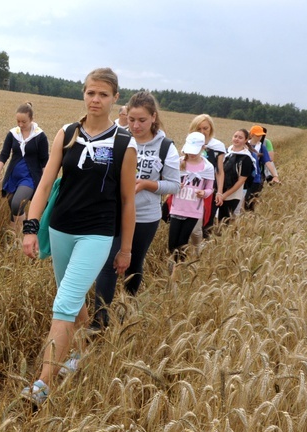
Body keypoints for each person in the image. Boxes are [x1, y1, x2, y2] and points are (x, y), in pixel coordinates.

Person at [19, 68, 137, 406]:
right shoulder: (67, 134)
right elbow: (44, 184)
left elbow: (128, 202)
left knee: (64, 302)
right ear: (83, 94)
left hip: (97, 234)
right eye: (90, 93)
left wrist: (125, 249)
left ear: (115, 98)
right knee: (72, 299)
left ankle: (41, 385)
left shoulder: (123, 143)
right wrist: (31, 227)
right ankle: (82, 351)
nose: (96, 100)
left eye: (103, 94)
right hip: (60, 229)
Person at [92, 91, 179, 328]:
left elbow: (175, 185)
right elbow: (96, 165)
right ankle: (100, 319)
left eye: (141, 120)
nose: (136, 125)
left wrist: (147, 185)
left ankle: (127, 306)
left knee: (133, 262)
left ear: (153, 117)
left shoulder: (165, 146)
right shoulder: (117, 138)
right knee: (110, 263)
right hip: (113, 214)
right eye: (131, 119)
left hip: (145, 217)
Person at [0, 102, 49, 232]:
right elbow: (4, 155)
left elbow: (45, 161)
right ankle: (16, 236)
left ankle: (24, 232)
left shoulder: (40, 136)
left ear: (32, 119)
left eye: (24, 122)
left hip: (30, 177)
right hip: (13, 176)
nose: (21, 125)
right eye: (18, 121)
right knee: (12, 206)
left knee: (17, 204)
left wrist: (46, 183)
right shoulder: (13, 134)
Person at [167, 132, 215, 260]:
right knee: (172, 243)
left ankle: (179, 269)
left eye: (195, 151)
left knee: (182, 243)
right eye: (189, 151)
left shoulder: (208, 167)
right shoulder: (179, 162)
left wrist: (204, 193)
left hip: (194, 211)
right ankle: (172, 267)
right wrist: (176, 185)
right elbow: (169, 181)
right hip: (177, 208)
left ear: (203, 148)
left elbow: (210, 188)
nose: (191, 154)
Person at [187, 114, 225, 247]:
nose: (202, 132)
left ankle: (203, 253)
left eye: (205, 128)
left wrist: (219, 192)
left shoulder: (217, 147)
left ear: (211, 129)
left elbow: (219, 172)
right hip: (190, 189)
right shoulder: (190, 143)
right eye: (199, 129)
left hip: (209, 190)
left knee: (206, 223)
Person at [216, 129, 254, 223]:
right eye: (235, 136)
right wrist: (219, 192)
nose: (236, 139)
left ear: (246, 140)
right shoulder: (225, 152)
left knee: (224, 222)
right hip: (218, 192)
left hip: (232, 195)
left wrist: (224, 195)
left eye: (240, 137)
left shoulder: (246, 158)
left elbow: (241, 181)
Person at [244, 124, 279, 210]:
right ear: (251, 135)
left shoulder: (262, 147)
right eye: (258, 135)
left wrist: (275, 176)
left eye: (261, 135)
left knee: (249, 201)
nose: (260, 137)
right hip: (242, 177)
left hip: (255, 178)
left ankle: (249, 219)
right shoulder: (243, 144)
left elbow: (268, 162)